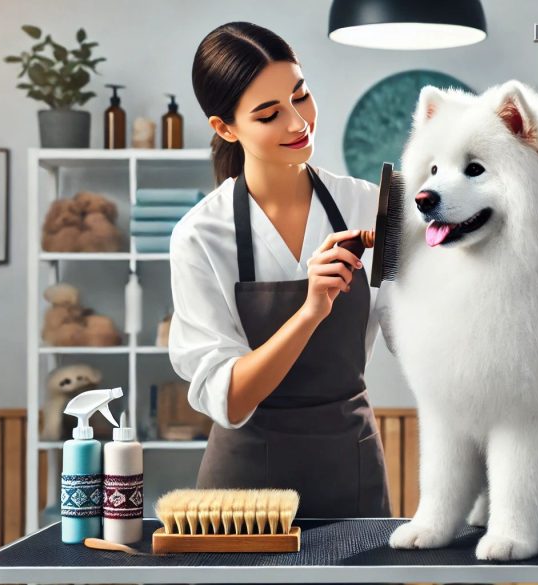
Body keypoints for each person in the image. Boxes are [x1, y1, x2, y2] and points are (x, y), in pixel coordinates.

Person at [168, 21, 391, 519]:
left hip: (349, 471)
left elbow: (415, 333)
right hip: (244, 493)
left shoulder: (368, 206)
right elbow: (228, 397)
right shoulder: (202, 235)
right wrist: (310, 311)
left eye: (301, 95)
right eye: (269, 114)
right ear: (225, 128)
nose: (297, 123)